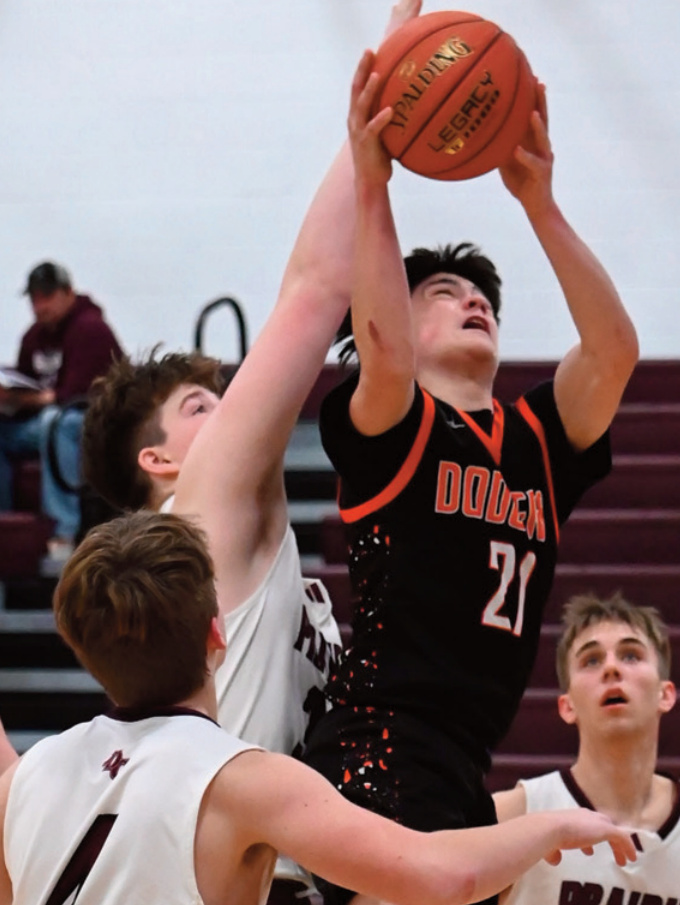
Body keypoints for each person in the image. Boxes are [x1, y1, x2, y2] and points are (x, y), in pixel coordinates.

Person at [80, 5, 422, 900]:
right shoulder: (200, 521)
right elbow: (315, 287)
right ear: (159, 464)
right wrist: (381, 101)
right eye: (202, 406)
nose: (234, 410)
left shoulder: (223, 564)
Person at [302, 45, 640, 905]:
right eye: (444, 292)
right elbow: (381, 348)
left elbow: (613, 351)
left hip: (462, 762)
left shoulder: (538, 440)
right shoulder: (395, 420)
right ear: (400, 318)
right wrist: (373, 185)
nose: (473, 300)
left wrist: (540, 204)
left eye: (481, 294)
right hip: (377, 747)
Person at [0, 511, 638, 905]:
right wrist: (552, 827)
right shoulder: (242, 779)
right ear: (217, 633)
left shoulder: (23, 780)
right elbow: (445, 878)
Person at [492, 592, 680, 903]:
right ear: (567, 706)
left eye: (630, 656)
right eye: (591, 660)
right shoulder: (518, 812)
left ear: (665, 694)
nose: (611, 669)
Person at [0, 261, 122, 558]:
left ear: (68, 293)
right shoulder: (33, 337)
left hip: (94, 421)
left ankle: (62, 531)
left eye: (47, 296)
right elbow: (27, 385)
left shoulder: (92, 329)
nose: (39, 306)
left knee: (56, 422)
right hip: (46, 417)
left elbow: (76, 394)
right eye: (34, 298)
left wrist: (31, 400)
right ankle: (5, 523)